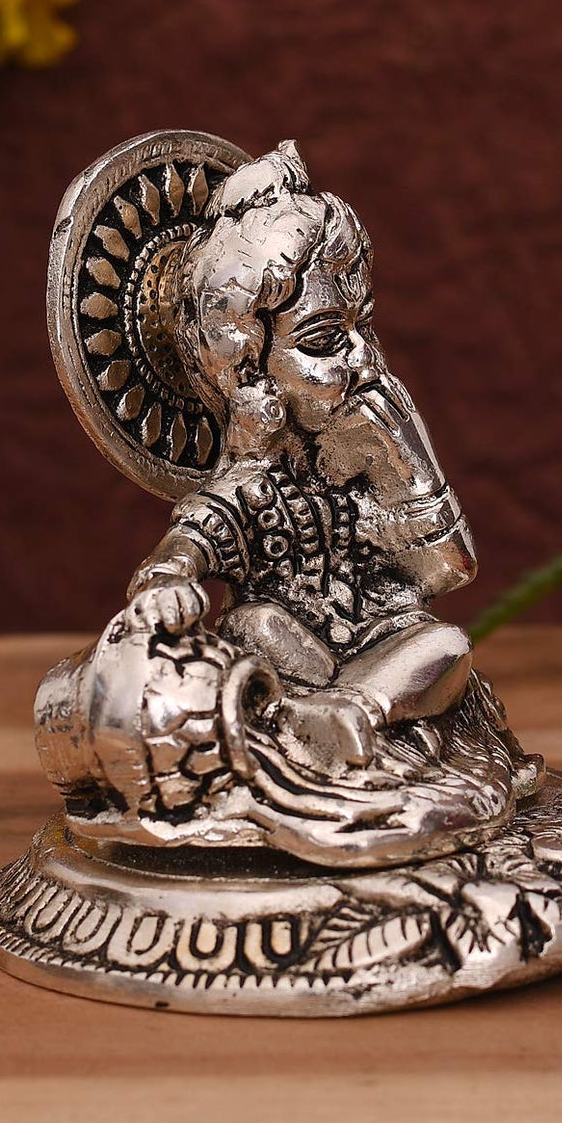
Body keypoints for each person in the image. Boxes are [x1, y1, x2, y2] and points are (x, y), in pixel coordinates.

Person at [125, 141, 479, 769]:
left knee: (445, 644)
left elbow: (450, 572)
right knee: (256, 629)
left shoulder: (361, 459)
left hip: (375, 639)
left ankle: (350, 712)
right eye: (324, 340)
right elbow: (182, 551)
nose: (363, 359)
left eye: (363, 327)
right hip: (285, 645)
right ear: (246, 371)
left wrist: (406, 456)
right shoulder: (252, 485)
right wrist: (167, 581)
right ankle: (315, 722)